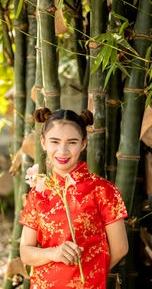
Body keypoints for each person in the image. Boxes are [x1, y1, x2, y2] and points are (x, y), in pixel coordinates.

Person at [19, 108, 129, 289]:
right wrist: (53, 253)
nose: (62, 151)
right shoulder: (38, 192)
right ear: (43, 142)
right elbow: (25, 252)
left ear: (83, 144)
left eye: (72, 142)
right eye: (54, 141)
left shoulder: (102, 189)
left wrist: (89, 274)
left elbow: (120, 248)